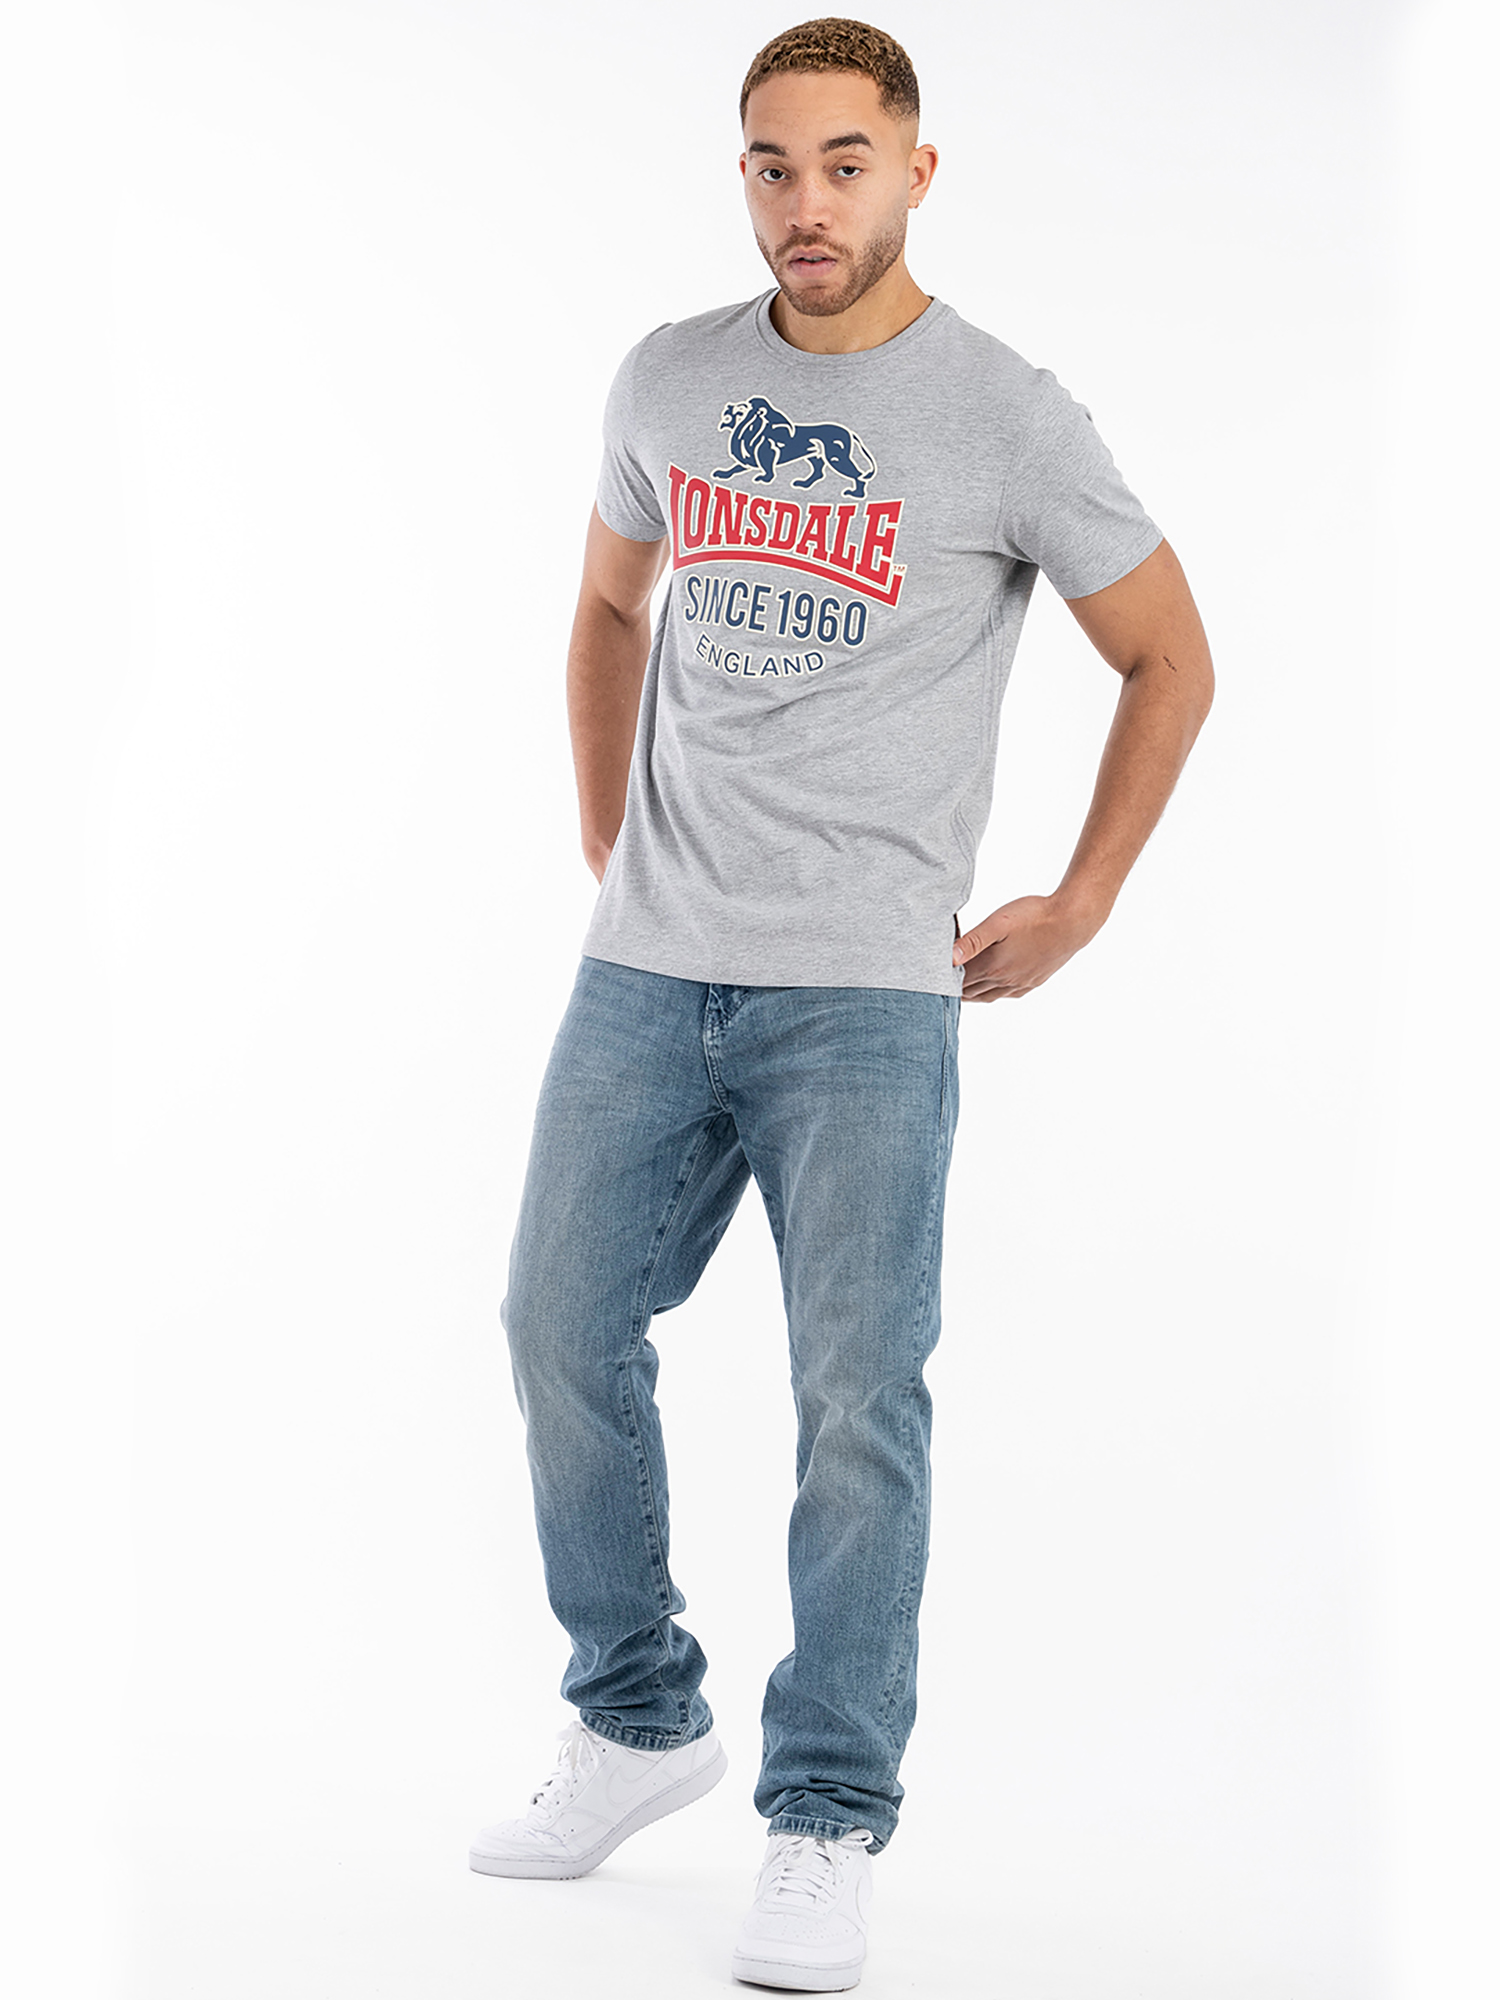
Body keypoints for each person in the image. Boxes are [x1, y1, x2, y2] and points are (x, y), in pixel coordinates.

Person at [469, 17, 1213, 1992]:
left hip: (871, 992)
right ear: (744, 178)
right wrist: (608, 829)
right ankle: (637, 1717)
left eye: (845, 163)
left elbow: (1170, 654)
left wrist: (1085, 898)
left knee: (856, 1409)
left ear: (917, 172)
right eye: (773, 166)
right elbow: (608, 604)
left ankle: (824, 1817)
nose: (808, 203)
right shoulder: (670, 378)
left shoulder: (1007, 416)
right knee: (555, 1322)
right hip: (649, 966)